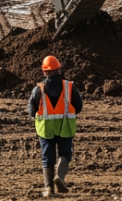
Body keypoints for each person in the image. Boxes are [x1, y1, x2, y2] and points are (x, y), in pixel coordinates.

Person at [29, 55, 83, 196]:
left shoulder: (38, 89)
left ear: (45, 72)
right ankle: (60, 177)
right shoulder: (69, 87)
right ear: (59, 70)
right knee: (65, 154)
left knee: (47, 158)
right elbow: (78, 106)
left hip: (46, 130)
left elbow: (31, 110)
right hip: (64, 127)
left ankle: (48, 189)